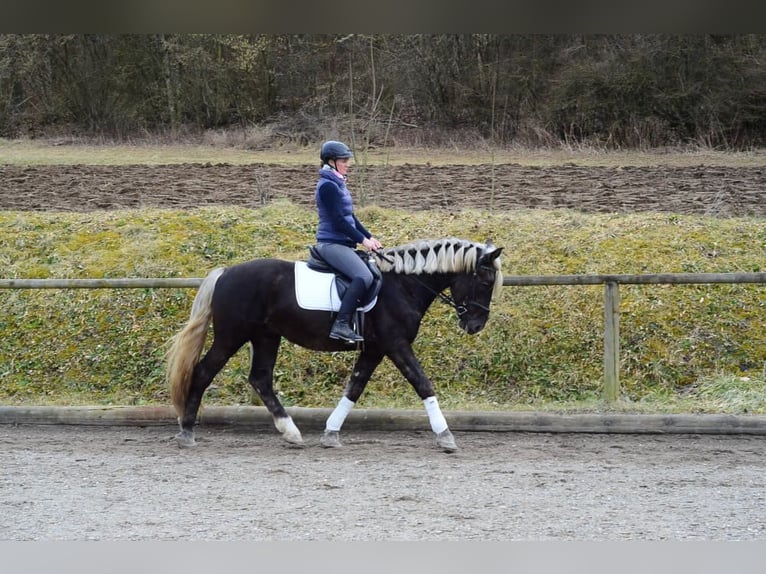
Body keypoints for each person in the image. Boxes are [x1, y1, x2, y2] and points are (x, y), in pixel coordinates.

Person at [313, 140, 383, 343]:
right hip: (330, 243)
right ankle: (341, 324)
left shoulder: (338, 183)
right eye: (344, 160)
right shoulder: (327, 186)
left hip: (343, 242)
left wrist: (369, 237)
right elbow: (339, 221)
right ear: (331, 161)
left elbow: (351, 217)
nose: (348, 163)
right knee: (363, 276)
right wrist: (362, 240)